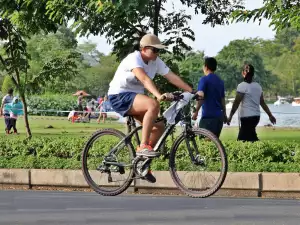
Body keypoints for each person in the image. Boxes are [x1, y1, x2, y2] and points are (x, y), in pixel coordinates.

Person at [107, 33, 193, 182]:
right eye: (154, 50)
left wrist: (191, 91)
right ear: (144, 49)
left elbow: (172, 77)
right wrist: (158, 95)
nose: (157, 53)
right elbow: (145, 79)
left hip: (135, 98)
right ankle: (143, 146)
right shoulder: (134, 58)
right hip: (119, 96)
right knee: (153, 104)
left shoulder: (156, 61)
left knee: (159, 126)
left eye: (159, 50)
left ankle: (143, 163)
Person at [227, 64, 276, 142]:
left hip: (247, 118)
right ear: (253, 74)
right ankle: (260, 150)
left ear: (243, 73)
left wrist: (230, 117)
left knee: (242, 139)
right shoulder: (258, 86)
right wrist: (270, 115)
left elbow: (236, 103)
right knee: (250, 137)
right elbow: (262, 103)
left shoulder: (242, 86)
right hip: (256, 117)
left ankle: (264, 149)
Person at [192, 57, 227, 137]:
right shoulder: (220, 81)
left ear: (206, 67)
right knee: (215, 144)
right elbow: (222, 99)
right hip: (219, 118)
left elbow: (201, 97)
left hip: (208, 118)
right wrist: (224, 114)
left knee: (205, 144)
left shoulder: (204, 80)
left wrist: (196, 111)